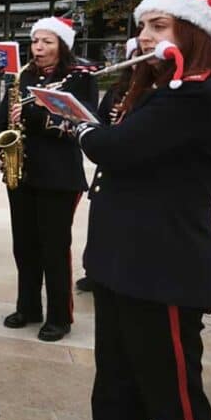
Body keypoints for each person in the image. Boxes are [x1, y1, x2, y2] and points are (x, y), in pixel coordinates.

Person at [59, 0, 211, 420]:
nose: (145, 37)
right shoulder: (156, 86)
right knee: (116, 376)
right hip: (120, 259)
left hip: (165, 268)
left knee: (173, 398)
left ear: (193, 31)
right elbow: (116, 127)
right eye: (143, 26)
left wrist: (79, 127)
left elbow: (116, 148)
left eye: (159, 27)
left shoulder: (199, 93)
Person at [0, 17, 95, 342]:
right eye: (35, 41)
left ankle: (59, 315)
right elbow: (5, 112)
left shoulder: (79, 78)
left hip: (59, 175)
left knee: (54, 247)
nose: (38, 48)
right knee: (24, 245)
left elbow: (82, 123)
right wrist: (2, 127)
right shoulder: (25, 75)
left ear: (62, 45)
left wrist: (35, 116)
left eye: (47, 42)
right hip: (23, 172)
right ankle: (28, 307)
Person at [76, 36, 139, 294]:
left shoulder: (155, 95)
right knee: (100, 221)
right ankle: (95, 271)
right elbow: (98, 119)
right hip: (107, 168)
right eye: (134, 58)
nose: (137, 64)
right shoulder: (116, 90)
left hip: (131, 166)